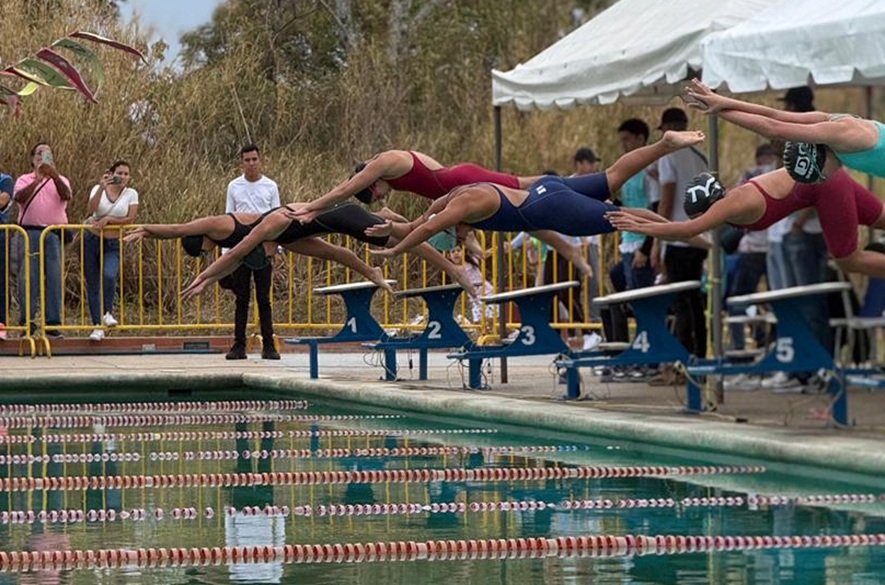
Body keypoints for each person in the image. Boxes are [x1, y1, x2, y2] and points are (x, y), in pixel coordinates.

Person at [366, 131, 708, 258]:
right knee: (613, 175)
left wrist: (395, 251)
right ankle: (664, 144)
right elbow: (422, 223)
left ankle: (695, 236)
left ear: (451, 227)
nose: (462, 238)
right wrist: (395, 229)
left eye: (455, 237)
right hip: (545, 187)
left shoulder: (463, 207)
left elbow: (426, 229)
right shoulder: (452, 198)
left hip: (553, 208)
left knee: (625, 219)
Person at [287, 149, 594, 278]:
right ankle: (570, 228)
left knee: (531, 190)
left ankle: (587, 188)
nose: (381, 195)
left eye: (376, 192)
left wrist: (311, 206)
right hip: (454, 190)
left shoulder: (382, 163)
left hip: (462, 183)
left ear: (372, 179)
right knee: (521, 211)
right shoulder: (387, 166)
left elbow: (343, 191)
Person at [127, 202, 475, 300]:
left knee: (409, 239)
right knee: (339, 255)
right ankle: (376, 268)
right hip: (316, 225)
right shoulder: (286, 239)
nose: (270, 256)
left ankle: (455, 255)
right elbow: (340, 255)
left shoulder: (263, 226)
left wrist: (147, 228)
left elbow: (182, 231)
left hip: (344, 216)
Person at [604, 168, 885, 277]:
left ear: (709, 206)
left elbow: (685, 229)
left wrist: (639, 228)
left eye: (703, 216)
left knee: (848, 260)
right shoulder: (728, 203)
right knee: (881, 219)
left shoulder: (730, 203)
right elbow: (678, 226)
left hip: (825, 185)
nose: (705, 222)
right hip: (827, 175)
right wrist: (626, 212)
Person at [684, 79, 885, 181]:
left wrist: (720, 112)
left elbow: (775, 129)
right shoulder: (838, 128)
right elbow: (776, 116)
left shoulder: (845, 135)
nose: (822, 180)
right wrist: (723, 102)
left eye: (819, 177)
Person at [654, 108, 711, 368]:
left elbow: (665, 202)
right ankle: (699, 356)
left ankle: (682, 363)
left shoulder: (669, 156)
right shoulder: (702, 158)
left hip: (677, 237)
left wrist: (657, 242)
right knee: (695, 302)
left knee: (680, 303)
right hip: (701, 235)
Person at [223, 144, 281, 360]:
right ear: (241, 162)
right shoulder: (234, 186)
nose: (251, 163)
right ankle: (239, 345)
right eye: (247, 160)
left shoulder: (270, 186)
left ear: (260, 159)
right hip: (240, 245)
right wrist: (225, 253)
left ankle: (269, 344)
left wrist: (278, 248)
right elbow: (228, 218)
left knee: (264, 299)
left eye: (254, 159)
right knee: (241, 298)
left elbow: (278, 216)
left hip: (263, 246)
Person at [13, 142, 71, 339]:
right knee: (28, 278)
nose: (43, 156)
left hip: (53, 233)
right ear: (32, 159)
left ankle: (53, 323)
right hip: (30, 233)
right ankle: (27, 323)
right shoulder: (24, 179)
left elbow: (67, 195)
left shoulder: (61, 179)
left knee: (54, 277)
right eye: (39, 153)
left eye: (47, 153)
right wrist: (36, 180)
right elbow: (19, 198)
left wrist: (53, 176)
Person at [84, 161, 138, 342]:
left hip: (113, 241)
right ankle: (97, 326)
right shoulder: (97, 189)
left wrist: (109, 219)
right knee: (92, 283)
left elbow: (130, 219)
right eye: (119, 173)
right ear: (111, 173)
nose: (122, 177)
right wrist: (101, 187)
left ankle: (108, 311)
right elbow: (90, 210)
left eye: (126, 174)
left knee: (109, 274)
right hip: (92, 239)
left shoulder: (131, 194)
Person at [0, 170, 13, 340]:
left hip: (0, 236)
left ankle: (1, 323)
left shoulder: (5, 180)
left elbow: (2, 201)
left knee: (1, 282)